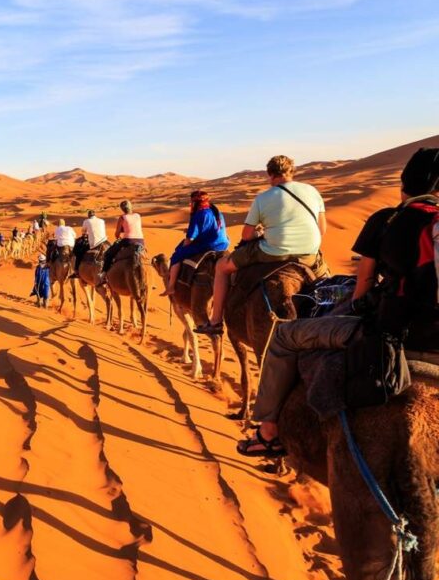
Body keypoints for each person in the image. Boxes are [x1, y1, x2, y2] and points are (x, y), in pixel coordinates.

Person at [236, 148, 439, 457]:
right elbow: (321, 231)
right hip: (313, 257)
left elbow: (364, 285)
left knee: (284, 337)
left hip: (394, 334)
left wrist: (358, 306)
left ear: (405, 183)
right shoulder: (312, 192)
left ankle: (268, 432)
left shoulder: (388, 219)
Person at [197, 155, 327, 335]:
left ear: (270, 174)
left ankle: (216, 320)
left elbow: (247, 235)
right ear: (291, 172)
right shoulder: (312, 191)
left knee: (221, 267)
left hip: (272, 252)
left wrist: (263, 233)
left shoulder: (263, 198)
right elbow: (322, 229)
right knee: (326, 280)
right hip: (309, 253)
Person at [161, 191, 231, 296]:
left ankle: (171, 287)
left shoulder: (199, 214)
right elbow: (210, 228)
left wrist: (183, 248)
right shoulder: (216, 211)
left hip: (209, 245)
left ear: (195, 202)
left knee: (177, 256)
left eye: (192, 202)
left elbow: (190, 238)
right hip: (223, 243)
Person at [103, 200, 145, 272]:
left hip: (128, 241)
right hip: (141, 241)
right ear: (130, 207)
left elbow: (117, 234)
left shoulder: (122, 217)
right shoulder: (138, 216)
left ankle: (104, 273)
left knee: (109, 254)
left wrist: (118, 236)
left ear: (122, 209)